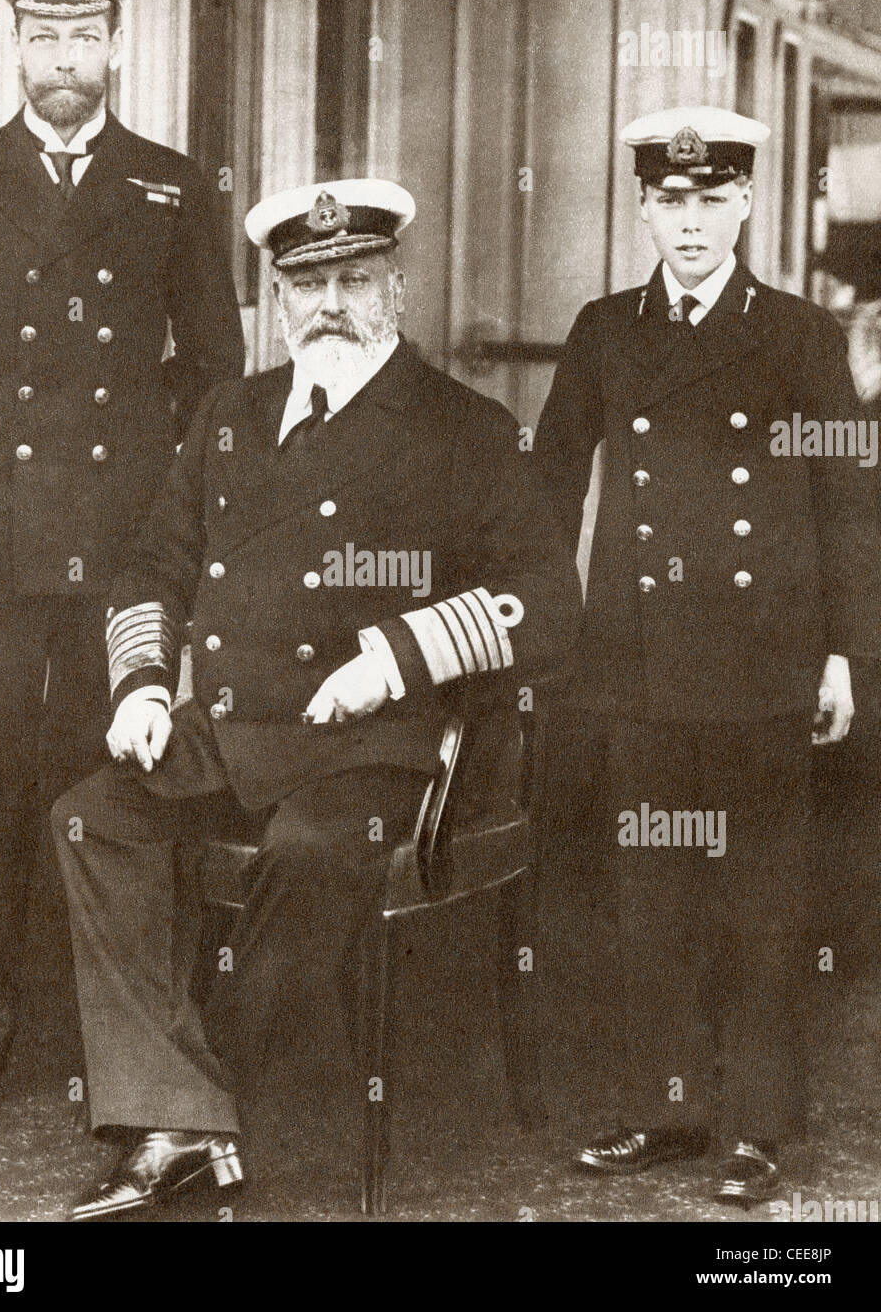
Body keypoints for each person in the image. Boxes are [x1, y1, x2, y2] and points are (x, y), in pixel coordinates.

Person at [51, 177, 581, 1219]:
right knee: (88, 819)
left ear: (396, 288)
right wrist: (146, 685)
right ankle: (185, 1114)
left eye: (354, 280)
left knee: (307, 852)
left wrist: (395, 652)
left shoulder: (464, 426)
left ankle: (209, 1105)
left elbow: (548, 599)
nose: (330, 304)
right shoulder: (231, 413)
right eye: (308, 284)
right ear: (278, 299)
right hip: (235, 728)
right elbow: (153, 567)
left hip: (384, 748)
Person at [0, 0, 244, 1125]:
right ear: (19, 47)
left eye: (83, 38)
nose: (63, 60)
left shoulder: (176, 189)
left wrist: (191, 547)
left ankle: (116, 1033)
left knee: (111, 790)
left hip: (124, 558)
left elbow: (220, 386)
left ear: (114, 46)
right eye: (44, 39)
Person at [533, 107, 881, 1209]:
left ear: (743, 206)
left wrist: (844, 656)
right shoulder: (603, 330)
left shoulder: (798, 338)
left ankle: (760, 1128)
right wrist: (547, 622)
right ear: (643, 208)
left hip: (764, 664)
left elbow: (848, 509)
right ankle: (665, 1108)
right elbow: (546, 485)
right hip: (633, 665)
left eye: (709, 201)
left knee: (763, 897)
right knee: (651, 891)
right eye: (668, 203)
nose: (687, 223)